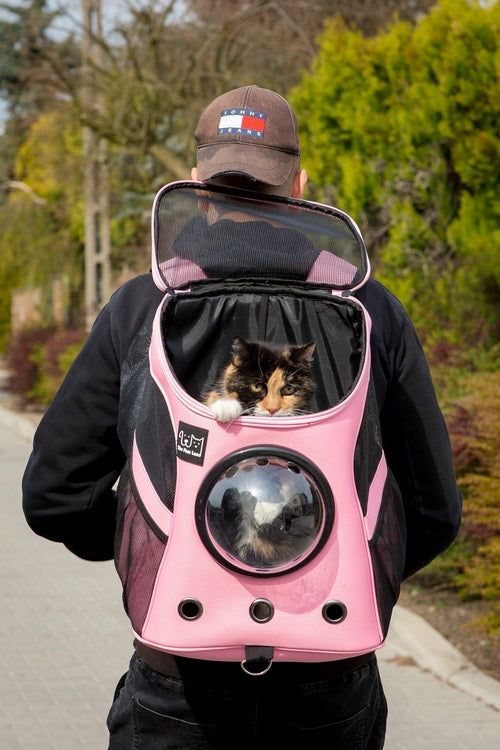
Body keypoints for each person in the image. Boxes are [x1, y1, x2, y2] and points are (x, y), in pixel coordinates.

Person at [22, 85, 461, 750]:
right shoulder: (373, 309)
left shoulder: (142, 305)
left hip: (179, 676)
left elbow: (53, 494)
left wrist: (159, 549)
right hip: (330, 676)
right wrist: (342, 569)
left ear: (196, 185)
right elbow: (435, 512)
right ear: (301, 183)